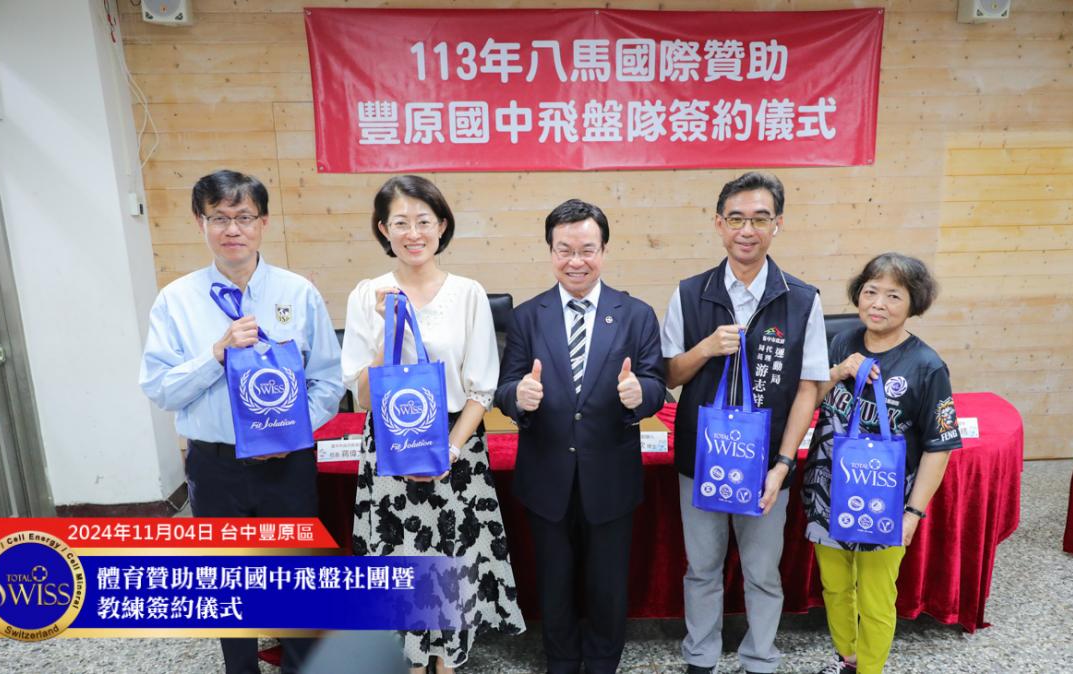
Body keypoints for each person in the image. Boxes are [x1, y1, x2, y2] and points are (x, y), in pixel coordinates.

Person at [140, 170, 344, 674]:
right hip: (216, 466)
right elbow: (160, 388)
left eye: (244, 217)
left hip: (287, 464)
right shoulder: (176, 301)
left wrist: (292, 432)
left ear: (263, 222)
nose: (233, 229)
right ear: (200, 222)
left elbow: (328, 381)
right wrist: (216, 353)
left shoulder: (298, 293)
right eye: (219, 218)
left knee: (294, 579)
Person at [342, 175, 525, 673]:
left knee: (451, 556)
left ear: (442, 226)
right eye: (400, 223)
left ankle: (446, 660)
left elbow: (481, 389)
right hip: (390, 443)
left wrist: (449, 449)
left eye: (423, 221)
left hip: (453, 439)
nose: (413, 233)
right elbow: (363, 395)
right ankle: (411, 660)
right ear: (384, 230)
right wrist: (387, 327)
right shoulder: (367, 295)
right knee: (400, 560)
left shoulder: (468, 294)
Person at [662, 172, 829, 674]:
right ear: (719, 224)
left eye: (760, 219)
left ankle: (760, 656)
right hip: (702, 457)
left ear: (777, 224)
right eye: (736, 219)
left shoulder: (802, 298)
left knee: (762, 570)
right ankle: (700, 655)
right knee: (702, 567)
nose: (747, 230)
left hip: (766, 463)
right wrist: (705, 348)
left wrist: (782, 465)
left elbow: (809, 387)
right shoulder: (690, 293)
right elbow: (668, 375)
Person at [495, 199, 666, 674]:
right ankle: (562, 661)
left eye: (587, 249)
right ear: (550, 252)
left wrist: (641, 394)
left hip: (610, 474)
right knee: (555, 582)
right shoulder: (527, 316)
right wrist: (518, 396)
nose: (576, 261)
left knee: (607, 584)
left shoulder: (635, 314)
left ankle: (604, 661)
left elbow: (656, 384)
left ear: (604, 251)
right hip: (546, 474)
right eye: (564, 250)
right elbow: (504, 387)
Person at [802, 253, 961, 674]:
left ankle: (870, 669)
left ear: (913, 303)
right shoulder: (842, 343)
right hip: (828, 492)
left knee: (875, 596)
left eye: (893, 295)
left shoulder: (927, 366)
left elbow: (940, 446)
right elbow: (807, 404)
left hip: (884, 504)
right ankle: (848, 659)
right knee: (835, 587)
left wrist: (912, 513)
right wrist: (837, 372)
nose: (878, 303)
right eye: (871, 291)